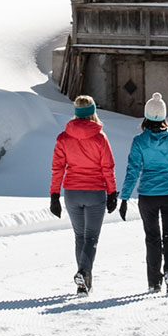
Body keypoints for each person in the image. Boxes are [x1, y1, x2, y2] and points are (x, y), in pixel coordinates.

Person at [119, 93, 168, 295]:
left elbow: (133, 170)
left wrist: (124, 198)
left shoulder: (139, 141)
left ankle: (154, 282)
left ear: (146, 116)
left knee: (152, 238)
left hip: (148, 196)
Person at [49, 94, 118, 296]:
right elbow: (108, 168)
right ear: (93, 112)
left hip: (72, 192)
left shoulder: (63, 137)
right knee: (91, 237)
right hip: (95, 192)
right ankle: (83, 272)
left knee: (80, 236)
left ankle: (83, 283)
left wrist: (54, 194)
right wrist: (112, 192)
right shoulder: (100, 138)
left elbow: (57, 168)